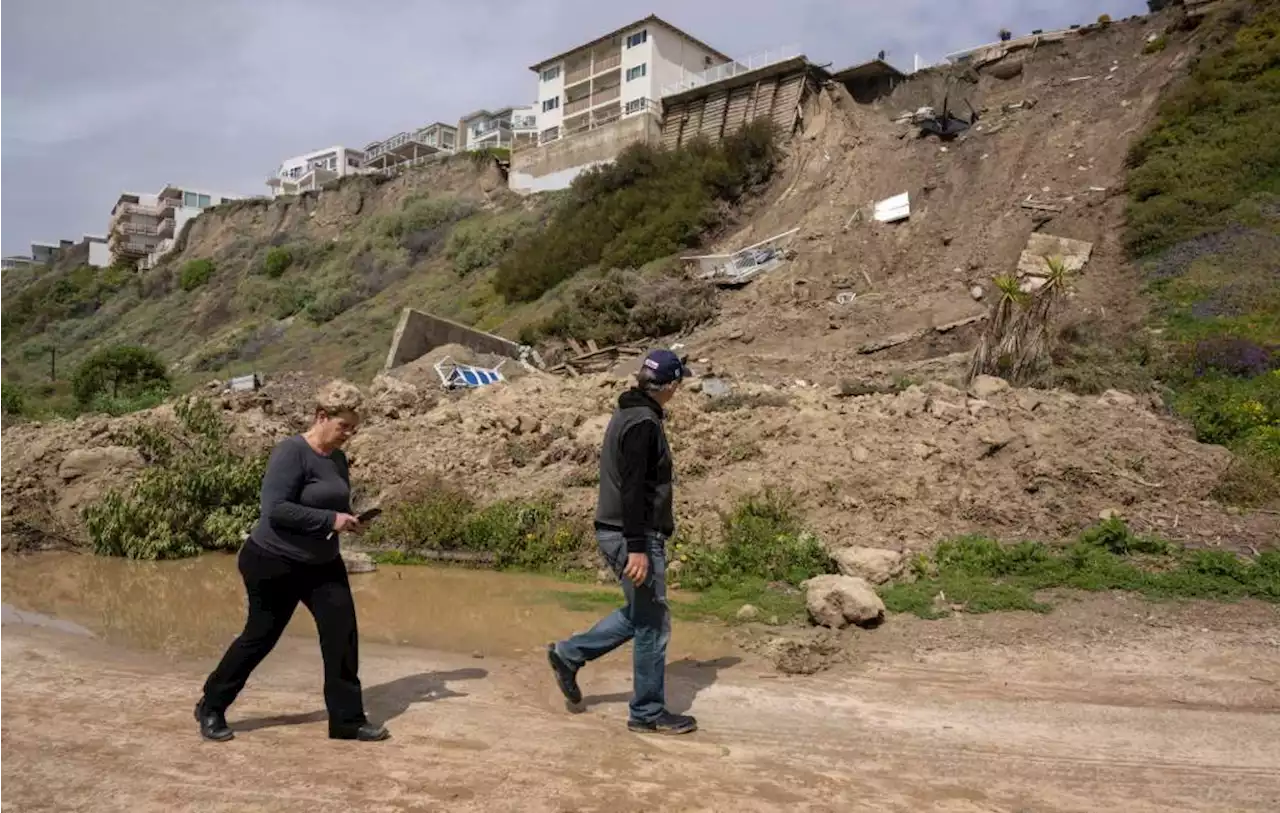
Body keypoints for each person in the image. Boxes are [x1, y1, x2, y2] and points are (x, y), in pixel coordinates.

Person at [195, 380, 388, 743]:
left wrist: (348, 519)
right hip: (273, 560)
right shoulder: (291, 452)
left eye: (353, 427)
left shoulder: (337, 458)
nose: (349, 433)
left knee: (342, 636)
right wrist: (330, 520)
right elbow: (276, 509)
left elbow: (331, 504)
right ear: (321, 417)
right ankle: (211, 705)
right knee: (260, 637)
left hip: (321, 562)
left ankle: (346, 721)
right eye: (343, 425)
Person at [547, 349, 696, 735]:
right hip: (631, 534)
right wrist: (638, 547)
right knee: (653, 625)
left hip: (619, 530)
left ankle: (569, 654)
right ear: (672, 386)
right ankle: (646, 713)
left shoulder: (628, 412)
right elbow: (633, 490)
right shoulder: (643, 423)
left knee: (641, 614)